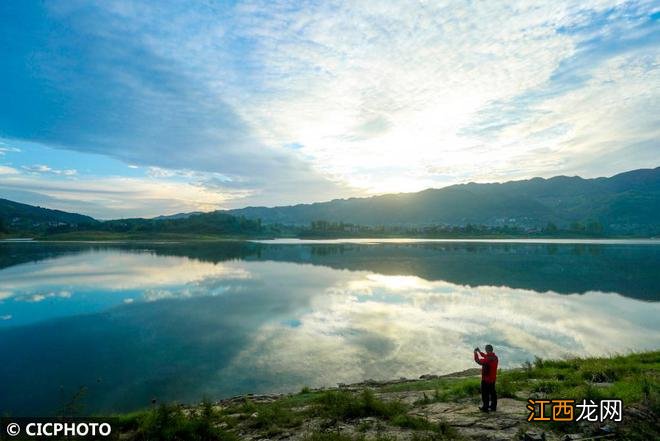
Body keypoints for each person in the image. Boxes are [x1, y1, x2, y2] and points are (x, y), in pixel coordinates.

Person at [474, 344, 498, 412]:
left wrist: (475, 353)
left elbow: (478, 361)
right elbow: (485, 356)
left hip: (486, 379)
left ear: (487, 350)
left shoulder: (488, 359)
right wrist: (479, 352)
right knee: (493, 393)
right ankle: (493, 407)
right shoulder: (495, 357)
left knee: (485, 394)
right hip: (493, 379)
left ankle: (485, 407)